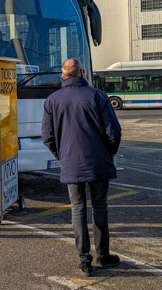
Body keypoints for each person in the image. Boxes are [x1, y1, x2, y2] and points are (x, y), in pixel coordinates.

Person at [41, 58, 122, 276]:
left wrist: (63, 155)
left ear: (63, 76)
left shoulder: (51, 100)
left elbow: (47, 137)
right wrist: (108, 153)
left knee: (77, 209)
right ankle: (103, 256)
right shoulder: (98, 96)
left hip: (71, 163)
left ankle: (84, 260)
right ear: (82, 73)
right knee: (100, 207)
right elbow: (113, 132)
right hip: (98, 162)